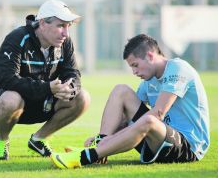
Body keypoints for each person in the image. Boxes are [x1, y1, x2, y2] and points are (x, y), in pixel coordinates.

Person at [50, 34, 210, 169]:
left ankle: (86, 157)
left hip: (188, 147)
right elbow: (127, 119)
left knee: (150, 120)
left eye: (135, 65)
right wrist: (104, 138)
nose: (134, 72)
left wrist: (110, 142)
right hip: (159, 142)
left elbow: (158, 113)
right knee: (121, 90)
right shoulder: (148, 81)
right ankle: (97, 146)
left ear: (150, 56)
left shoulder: (178, 68)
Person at [0, 0, 90, 160]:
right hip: (2, 100)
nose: (66, 33)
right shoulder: (17, 38)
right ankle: (2, 141)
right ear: (43, 23)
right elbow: (7, 79)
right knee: (12, 99)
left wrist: (70, 88)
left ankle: (39, 140)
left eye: (68, 26)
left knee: (82, 98)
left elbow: (73, 72)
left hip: (40, 100)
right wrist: (47, 88)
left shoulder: (65, 42)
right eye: (60, 26)